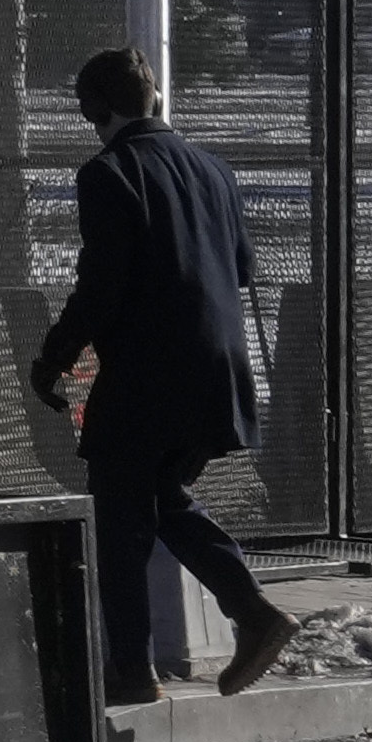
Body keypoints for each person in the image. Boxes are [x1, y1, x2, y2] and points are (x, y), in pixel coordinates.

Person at [34, 44, 294, 700]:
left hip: (149, 376)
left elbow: (103, 287)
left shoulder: (108, 172)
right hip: (219, 372)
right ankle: (252, 612)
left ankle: (133, 669)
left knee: (120, 516)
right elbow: (241, 269)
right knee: (160, 497)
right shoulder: (213, 168)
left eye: (84, 106)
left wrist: (54, 357)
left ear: (98, 105)